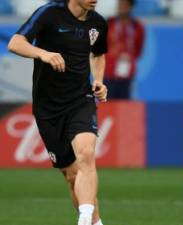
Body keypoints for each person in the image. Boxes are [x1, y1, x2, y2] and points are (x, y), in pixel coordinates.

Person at [8, 0, 108, 225]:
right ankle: (95, 222)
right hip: (48, 108)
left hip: (81, 100)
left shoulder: (98, 23)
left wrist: (99, 80)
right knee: (72, 175)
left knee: (86, 154)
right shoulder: (50, 13)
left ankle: (84, 220)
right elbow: (15, 43)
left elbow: (98, 54)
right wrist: (42, 53)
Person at [104, 0, 145, 99]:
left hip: (127, 75)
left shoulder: (137, 27)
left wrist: (128, 57)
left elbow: (138, 50)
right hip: (109, 73)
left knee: (125, 107)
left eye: (123, 5)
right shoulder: (109, 23)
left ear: (130, 7)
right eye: (119, 5)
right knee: (108, 107)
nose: (120, 7)